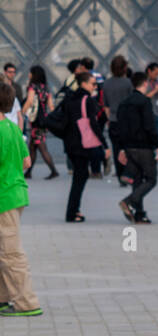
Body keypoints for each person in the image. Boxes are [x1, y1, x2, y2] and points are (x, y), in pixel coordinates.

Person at [0, 82, 41, 317]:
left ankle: (27, 303)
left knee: (11, 252)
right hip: (16, 193)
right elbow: (27, 162)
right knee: (3, 249)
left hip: (3, 197)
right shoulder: (13, 128)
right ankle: (3, 297)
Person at [61, 70, 106, 223]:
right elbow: (93, 124)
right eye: (93, 84)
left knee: (80, 176)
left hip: (70, 144)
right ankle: (71, 213)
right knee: (80, 178)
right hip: (82, 144)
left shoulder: (69, 98)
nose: (96, 87)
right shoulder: (87, 100)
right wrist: (104, 144)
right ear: (84, 84)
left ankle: (74, 210)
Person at [116, 72, 158, 224]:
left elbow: (119, 128)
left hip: (129, 147)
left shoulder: (124, 102)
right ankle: (128, 201)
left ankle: (140, 214)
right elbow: (149, 126)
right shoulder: (144, 102)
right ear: (145, 83)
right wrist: (157, 146)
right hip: (144, 146)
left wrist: (122, 148)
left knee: (137, 180)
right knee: (151, 179)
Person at [22, 66, 58, 180]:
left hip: (36, 121)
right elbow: (51, 106)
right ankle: (28, 172)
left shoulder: (32, 87)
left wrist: (22, 112)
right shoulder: (46, 88)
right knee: (32, 147)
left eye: (30, 73)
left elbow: (30, 101)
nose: (29, 75)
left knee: (42, 147)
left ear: (34, 74)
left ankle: (53, 170)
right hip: (44, 121)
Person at [102, 55, 134, 179]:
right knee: (128, 148)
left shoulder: (106, 84)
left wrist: (109, 119)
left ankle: (120, 173)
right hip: (127, 121)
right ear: (125, 67)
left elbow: (106, 106)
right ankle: (127, 173)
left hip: (113, 121)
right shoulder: (128, 83)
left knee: (116, 148)